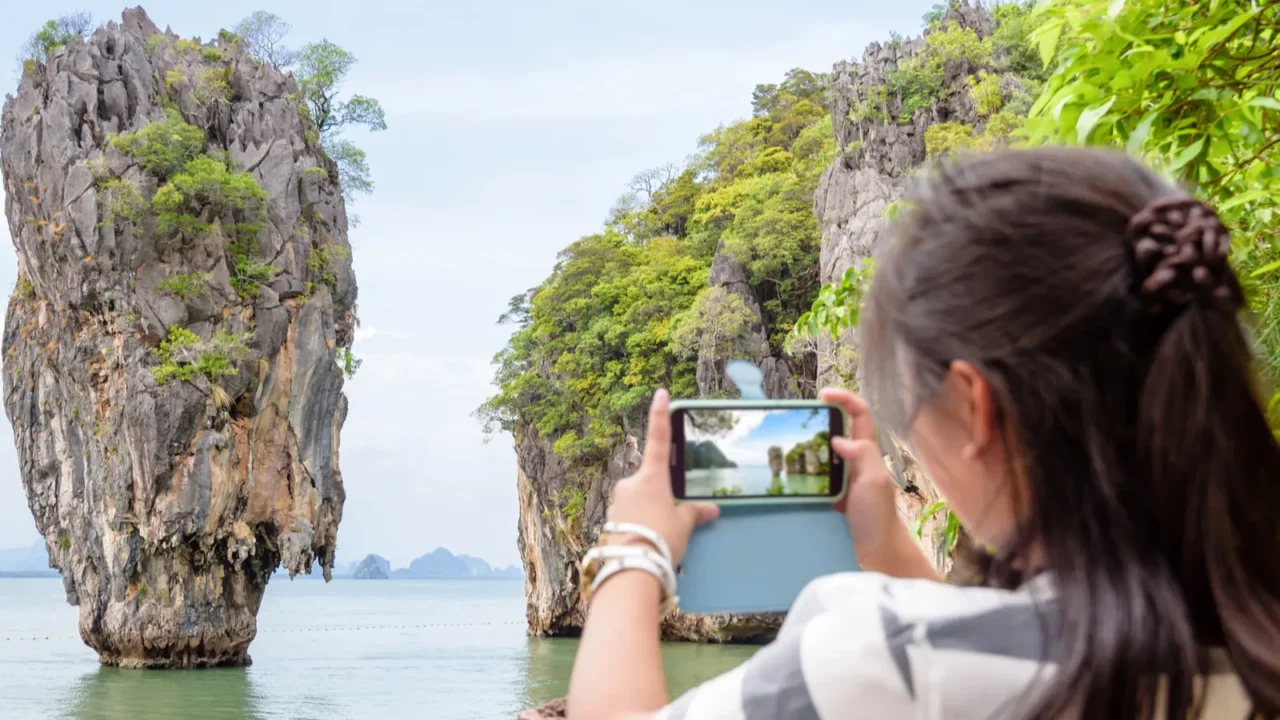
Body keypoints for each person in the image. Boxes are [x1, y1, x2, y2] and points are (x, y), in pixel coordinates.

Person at [564, 147, 1280, 719]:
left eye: (910, 398)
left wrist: (635, 547)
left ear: (975, 406)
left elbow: (946, 667)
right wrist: (887, 546)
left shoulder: (879, 658)